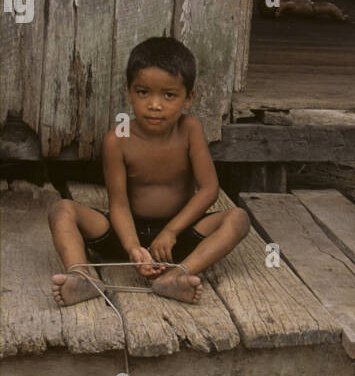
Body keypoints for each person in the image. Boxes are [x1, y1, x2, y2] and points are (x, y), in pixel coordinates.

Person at [49, 37, 250, 306]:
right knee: (61, 210)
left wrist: (171, 231)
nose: (155, 105)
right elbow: (118, 204)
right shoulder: (117, 139)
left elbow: (209, 190)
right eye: (143, 92)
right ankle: (82, 277)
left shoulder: (190, 130)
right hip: (126, 233)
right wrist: (133, 248)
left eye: (169, 95)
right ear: (129, 92)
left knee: (238, 218)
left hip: (179, 234)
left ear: (188, 98)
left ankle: (179, 274)